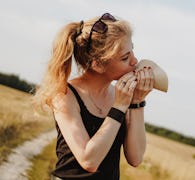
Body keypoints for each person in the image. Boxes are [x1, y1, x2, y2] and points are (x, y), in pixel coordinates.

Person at [34, 13, 154, 180]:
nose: (135, 61)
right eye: (125, 58)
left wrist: (137, 102)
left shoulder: (122, 96)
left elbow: (136, 158)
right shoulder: (64, 95)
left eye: (132, 50)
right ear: (97, 64)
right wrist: (118, 107)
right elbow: (88, 160)